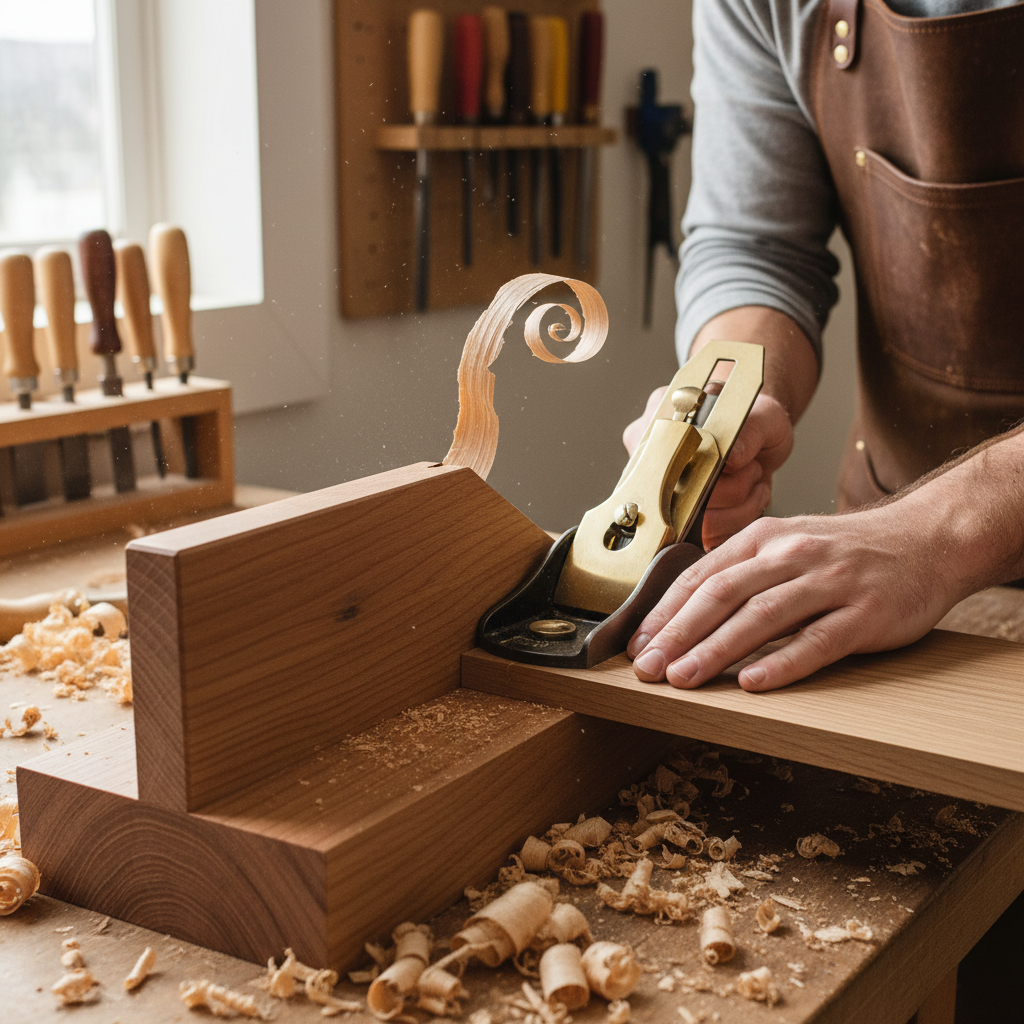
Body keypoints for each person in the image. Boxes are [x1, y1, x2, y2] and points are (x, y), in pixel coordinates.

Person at [624, 0, 1024, 694]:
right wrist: (729, 400)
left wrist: (941, 532)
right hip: (894, 556)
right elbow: (759, 247)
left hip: (913, 544)